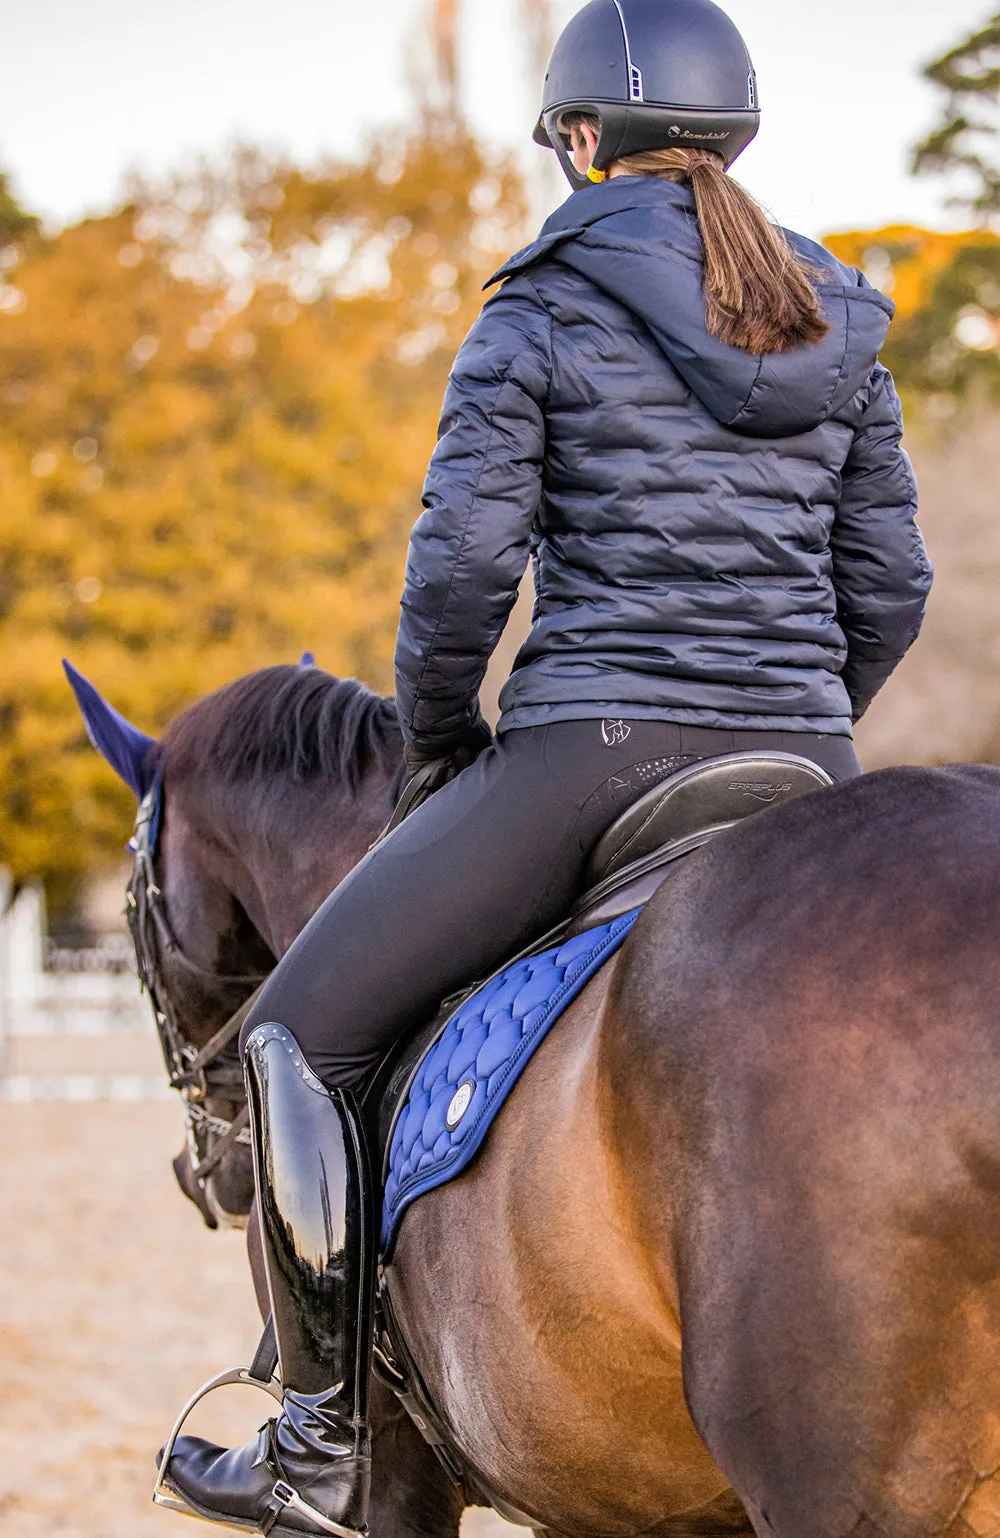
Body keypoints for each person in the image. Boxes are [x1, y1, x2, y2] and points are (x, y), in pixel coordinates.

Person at [160, 1, 932, 1533]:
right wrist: (800, 719)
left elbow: (458, 577)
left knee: (298, 1031)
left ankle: (323, 1438)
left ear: (580, 139)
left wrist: (443, 746)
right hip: (798, 753)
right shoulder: (840, 320)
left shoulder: (539, 305)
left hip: (591, 749)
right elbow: (892, 582)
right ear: (737, 140)